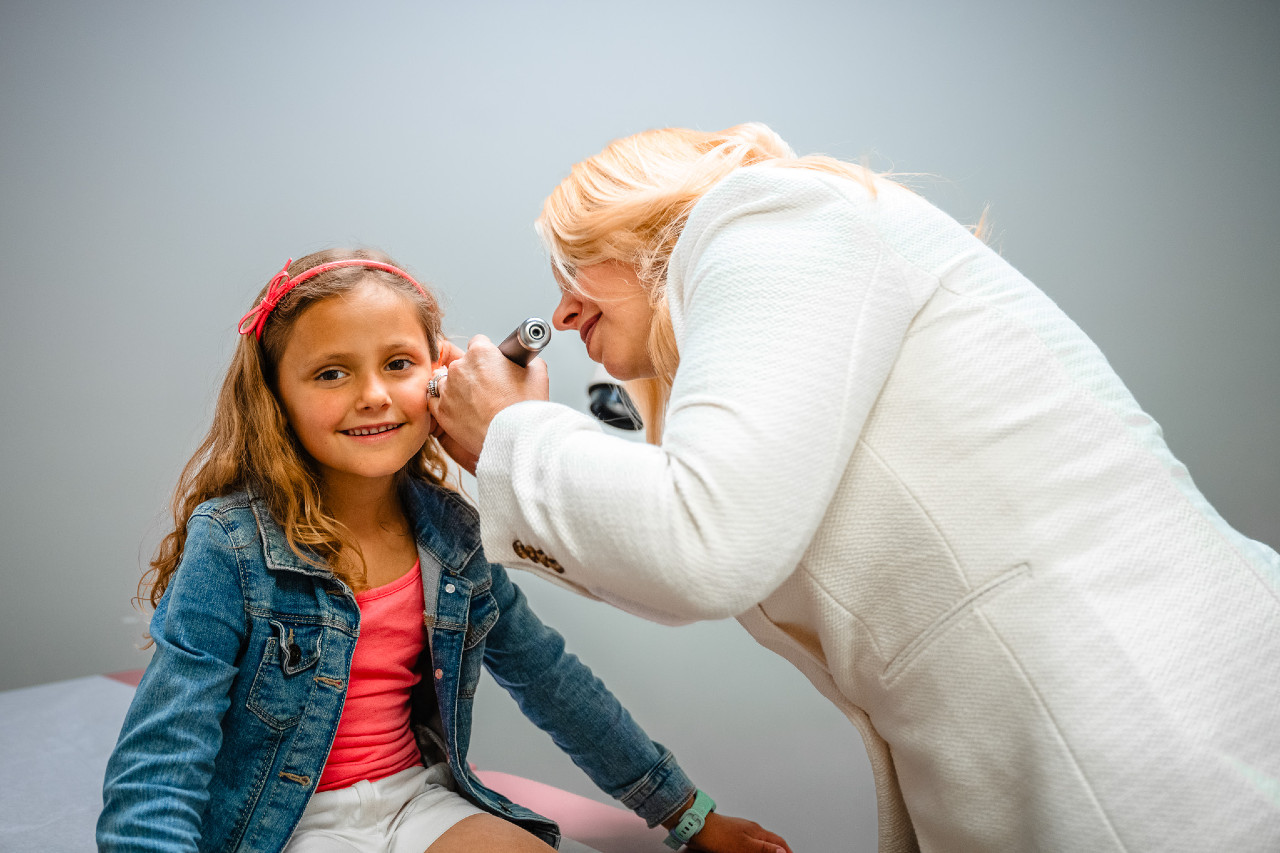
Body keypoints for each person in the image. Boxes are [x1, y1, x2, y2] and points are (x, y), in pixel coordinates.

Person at [426, 124, 1280, 852]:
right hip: (1063, 741)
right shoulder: (788, 300)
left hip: (1133, 733)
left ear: (637, 214)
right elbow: (680, 565)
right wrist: (491, 454)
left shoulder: (767, 218)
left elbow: (700, 547)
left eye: (574, 266)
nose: (563, 314)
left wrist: (509, 433)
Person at [96, 249, 792, 853]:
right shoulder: (231, 543)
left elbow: (553, 682)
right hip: (278, 823)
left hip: (416, 799)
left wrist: (690, 817)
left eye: (397, 364)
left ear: (440, 376)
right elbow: (162, 756)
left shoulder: (454, 535)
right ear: (275, 397)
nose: (372, 396)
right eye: (331, 373)